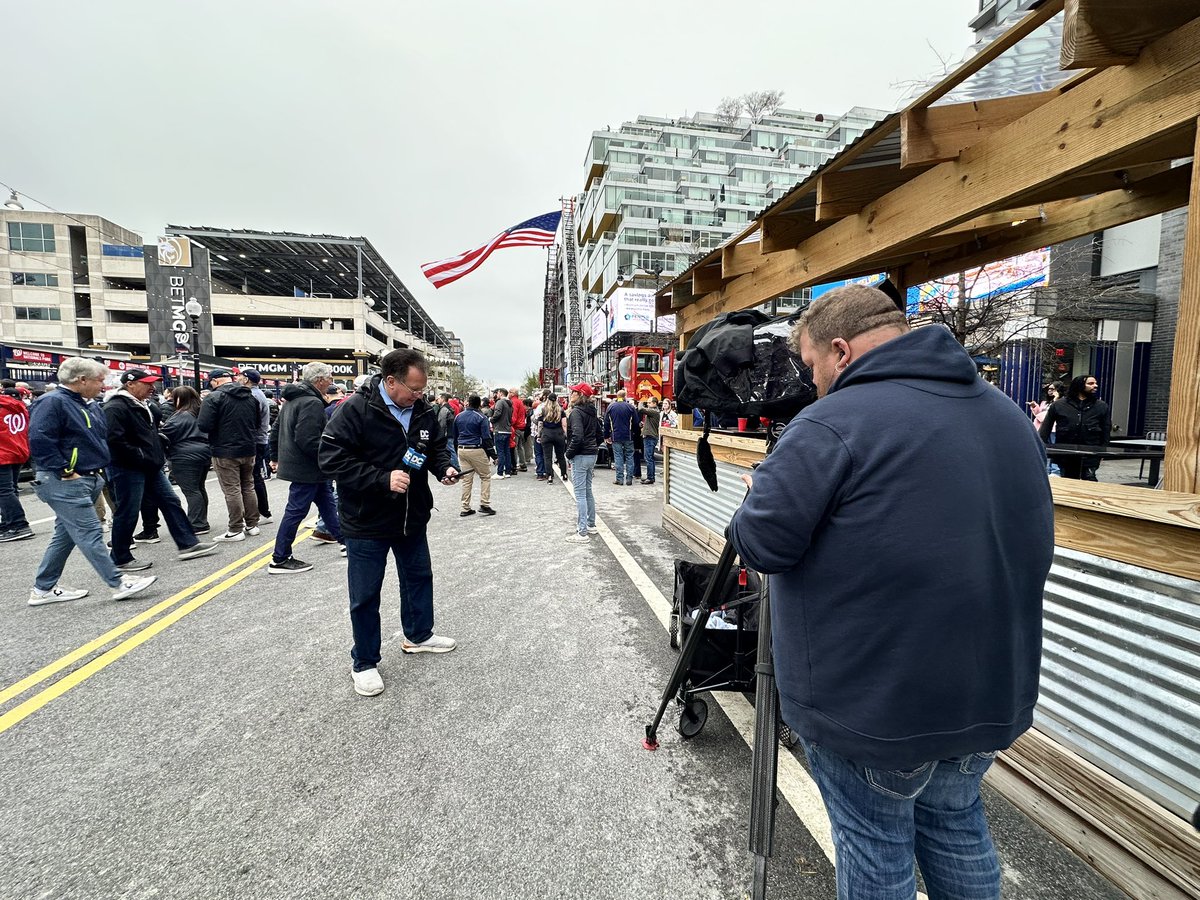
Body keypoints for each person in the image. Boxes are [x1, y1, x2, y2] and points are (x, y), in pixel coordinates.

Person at [726, 285, 1054, 900]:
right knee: (957, 827)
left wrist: (755, 497)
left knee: (875, 846)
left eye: (813, 365)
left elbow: (763, 545)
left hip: (872, 699)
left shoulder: (832, 422)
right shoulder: (1007, 414)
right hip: (986, 688)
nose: (813, 382)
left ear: (842, 351)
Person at [318, 349, 459, 698]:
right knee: (365, 593)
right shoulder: (354, 410)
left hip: (412, 516)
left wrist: (446, 468)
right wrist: (381, 478)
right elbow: (330, 459)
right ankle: (364, 662)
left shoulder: (424, 411)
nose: (419, 395)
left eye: (422, 389)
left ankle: (419, 634)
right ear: (390, 381)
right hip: (367, 520)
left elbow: (436, 448)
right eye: (413, 389)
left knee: (418, 577)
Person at [27, 357, 157, 605]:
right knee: (90, 532)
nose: (104, 385)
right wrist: (66, 469)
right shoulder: (53, 402)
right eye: (99, 380)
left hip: (84, 477)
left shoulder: (86, 404)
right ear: (81, 380)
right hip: (66, 479)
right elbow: (40, 440)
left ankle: (43, 589)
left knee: (64, 536)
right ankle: (118, 582)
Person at [104, 370, 218, 571]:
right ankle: (120, 556)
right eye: (146, 383)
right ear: (130, 384)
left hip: (149, 465)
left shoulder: (141, 404)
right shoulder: (116, 407)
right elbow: (115, 440)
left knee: (170, 501)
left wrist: (156, 446)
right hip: (130, 467)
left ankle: (188, 544)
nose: (152, 387)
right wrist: (142, 455)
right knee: (128, 510)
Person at [268, 363, 343, 574]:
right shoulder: (311, 403)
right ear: (319, 380)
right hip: (307, 467)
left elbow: (277, 430)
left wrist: (274, 455)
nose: (331, 382)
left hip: (301, 464)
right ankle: (280, 557)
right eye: (329, 378)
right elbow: (308, 439)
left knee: (327, 503)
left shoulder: (293, 399)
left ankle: (345, 541)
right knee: (296, 511)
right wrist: (330, 456)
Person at [198, 367, 262, 541]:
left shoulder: (213, 397)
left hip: (224, 449)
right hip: (248, 447)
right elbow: (257, 422)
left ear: (215, 381)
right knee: (248, 486)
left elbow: (203, 425)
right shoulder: (250, 396)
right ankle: (252, 524)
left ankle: (235, 529)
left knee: (231, 489)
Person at [1038, 373, 1111, 481]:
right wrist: (1039, 447)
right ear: (1079, 385)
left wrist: (1103, 451)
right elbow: (1045, 428)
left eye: (1095, 383)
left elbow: (1106, 429)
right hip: (1066, 453)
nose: (1095, 386)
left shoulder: (1101, 406)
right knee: (1068, 480)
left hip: (1091, 452)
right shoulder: (1059, 405)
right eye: (1090, 383)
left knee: (1089, 479)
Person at [160, 387, 212, 534]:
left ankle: (197, 523)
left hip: (184, 456)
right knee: (199, 488)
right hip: (204, 453)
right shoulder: (201, 412)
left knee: (191, 490)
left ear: (179, 399)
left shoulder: (180, 415)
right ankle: (201, 520)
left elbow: (164, 434)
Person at [565, 383, 601, 543]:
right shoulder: (592, 412)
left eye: (573, 392)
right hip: (591, 454)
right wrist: (592, 446)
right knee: (587, 491)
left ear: (579, 395)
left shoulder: (576, 413)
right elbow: (600, 434)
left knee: (580, 493)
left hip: (580, 455)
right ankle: (591, 524)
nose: (570, 394)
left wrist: (568, 453)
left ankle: (582, 532)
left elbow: (577, 436)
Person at [238, 369, 274, 524]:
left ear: (246, 379)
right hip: (258, 439)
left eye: (240, 376)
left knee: (254, 477)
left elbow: (253, 420)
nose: (237, 378)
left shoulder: (253, 396)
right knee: (254, 477)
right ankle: (262, 512)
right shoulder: (257, 394)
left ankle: (263, 512)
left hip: (256, 440)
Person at [454, 393, 496, 517]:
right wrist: (493, 455)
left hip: (462, 448)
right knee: (485, 475)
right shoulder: (481, 417)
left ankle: (465, 507)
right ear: (479, 404)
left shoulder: (458, 416)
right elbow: (486, 437)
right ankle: (484, 504)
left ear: (468, 403)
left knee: (467, 479)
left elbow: (455, 435)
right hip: (476, 448)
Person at [0, 386, 33, 541]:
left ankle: (18, 524)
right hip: (18, 449)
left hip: (3, 452)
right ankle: (8, 522)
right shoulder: (18, 406)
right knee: (10, 489)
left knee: (4, 491)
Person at [604, 389, 639, 486]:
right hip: (628, 436)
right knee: (629, 456)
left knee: (618, 457)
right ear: (625, 396)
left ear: (617, 396)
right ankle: (629, 479)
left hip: (616, 436)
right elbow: (636, 423)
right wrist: (635, 434)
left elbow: (606, 423)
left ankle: (619, 479)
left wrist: (606, 436)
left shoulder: (611, 407)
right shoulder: (631, 407)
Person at [538, 392, 568, 486]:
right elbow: (564, 424)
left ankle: (550, 476)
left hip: (547, 434)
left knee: (547, 457)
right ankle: (564, 474)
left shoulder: (543, 410)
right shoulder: (561, 410)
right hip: (558, 434)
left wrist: (539, 435)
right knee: (560, 456)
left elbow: (540, 424)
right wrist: (565, 435)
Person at [490, 388, 514, 478]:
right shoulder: (510, 404)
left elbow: (497, 413)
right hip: (507, 430)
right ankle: (507, 471)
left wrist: (491, 419)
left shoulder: (500, 402)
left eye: (497, 393)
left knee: (500, 452)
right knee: (506, 451)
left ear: (500, 393)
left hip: (500, 429)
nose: (497, 394)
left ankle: (500, 472)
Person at [435, 392, 460, 472]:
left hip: (446, 433)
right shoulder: (449, 408)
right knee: (450, 450)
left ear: (442, 399)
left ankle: (456, 466)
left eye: (439, 398)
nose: (437, 400)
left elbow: (441, 423)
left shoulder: (444, 409)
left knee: (450, 450)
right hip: (450, 432)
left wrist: (440, 434)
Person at [639, 399, 661, 485]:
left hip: (650, 437)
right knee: (648, 458)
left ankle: (650, 478)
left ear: (654, 403)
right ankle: (650, 476)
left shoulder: (654, 411)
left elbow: (641, 409)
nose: (647, 404)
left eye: (649, 402)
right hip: (649, 436)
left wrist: (641, 401)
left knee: (649, 458)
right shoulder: (653, 412)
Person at [512, 392, 530, 472]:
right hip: (522, 427)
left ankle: (515, 464)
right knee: (520, 447)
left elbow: (514, 416)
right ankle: (522, 464)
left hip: (516, 427)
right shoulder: (521, 403)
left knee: (515, 447)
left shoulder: (514, 402)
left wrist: (511, 424)